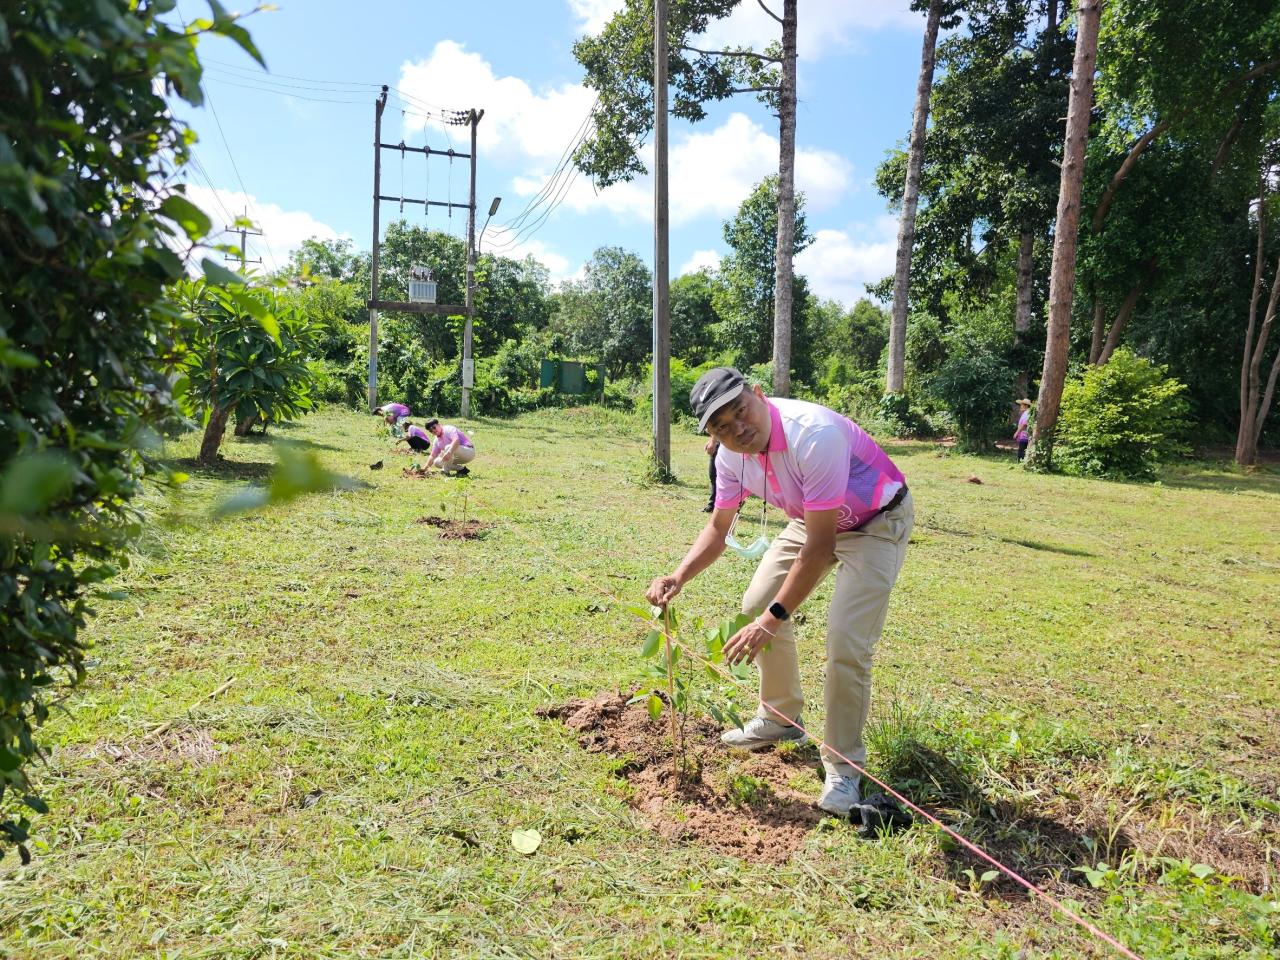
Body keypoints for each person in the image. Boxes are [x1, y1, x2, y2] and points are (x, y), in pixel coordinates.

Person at [646, 367, 914, 817]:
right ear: (711, 434)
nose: (739, 430)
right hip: (812, 521)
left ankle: (843, 766)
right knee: (754, 603)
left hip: (874, 523)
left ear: (758, 393)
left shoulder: (814, 435)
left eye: (741, 412)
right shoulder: (731, 457)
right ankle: (780, 718)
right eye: (722, 427)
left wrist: (772, 621)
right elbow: (718, 528)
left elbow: (820, 549)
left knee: (845, 642)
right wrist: (679, 576)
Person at [703, 437, 720, 512]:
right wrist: (712, 441)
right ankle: (712, 504)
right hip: (721, 441)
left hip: (732, 444)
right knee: (713, 475)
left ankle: (733, 506)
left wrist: (712, 441)